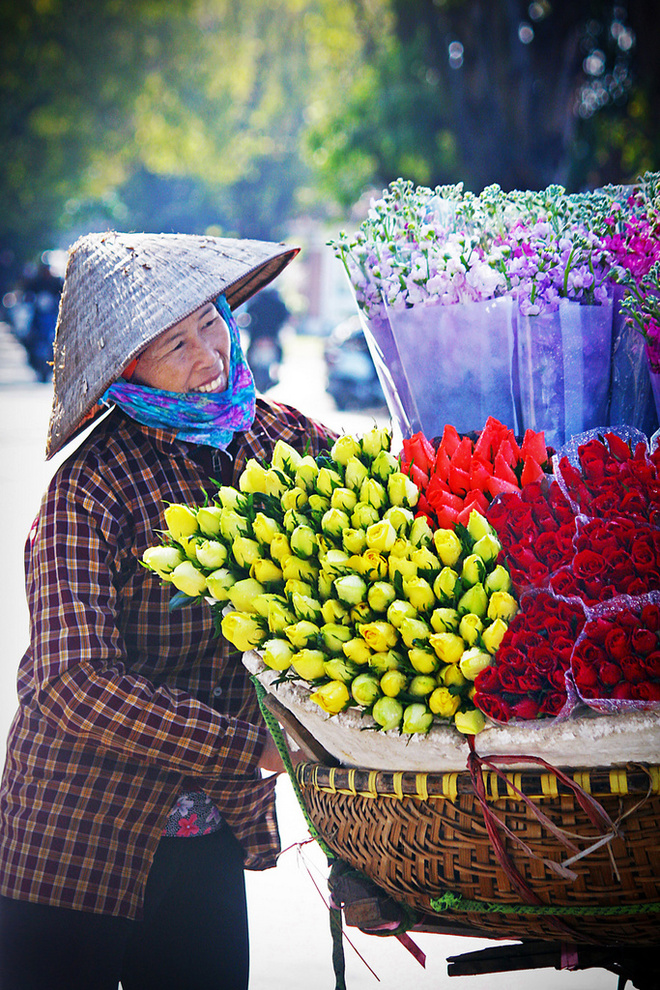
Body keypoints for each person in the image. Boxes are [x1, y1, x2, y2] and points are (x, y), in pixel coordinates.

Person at [0, 231, 336, 990]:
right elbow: (71, 683)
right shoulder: (88, 492)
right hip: (74, 839)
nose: (209, 354)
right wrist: (254, 745)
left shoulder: (282, 439)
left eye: (211, 322)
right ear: (128, 371)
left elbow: (390, 498)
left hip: (204, 834)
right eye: (174, 343)